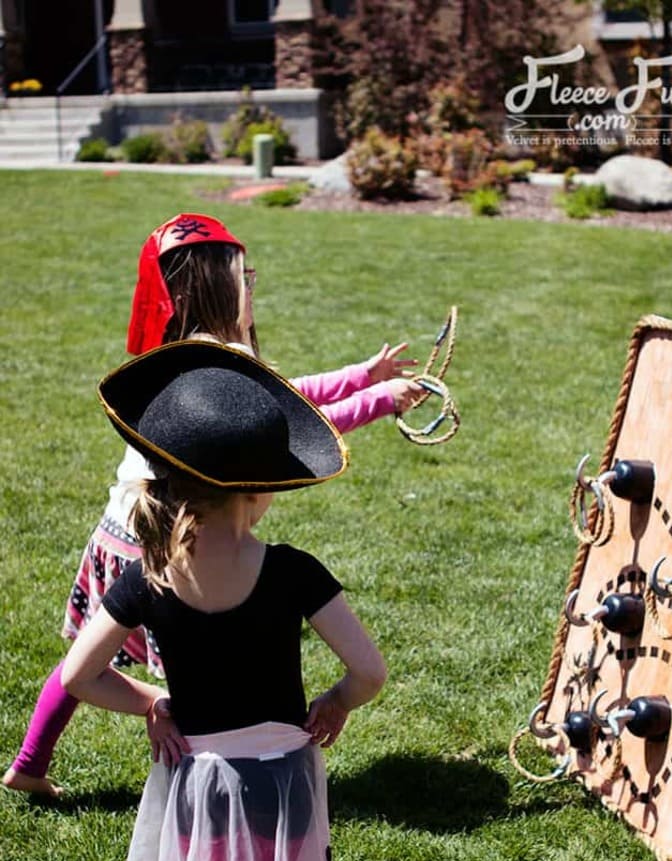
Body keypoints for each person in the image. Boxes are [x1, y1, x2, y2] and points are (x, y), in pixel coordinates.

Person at [3, 212, 419, 798]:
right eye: (244, 278)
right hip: (164, 533)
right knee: (190, 663)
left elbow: (286, 398)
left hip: (131, 522)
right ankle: (216, 769)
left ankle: (30, 761)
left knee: (86, 656)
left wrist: (362, 377)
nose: (253, 288)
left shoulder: (200, 350)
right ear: (213, 286)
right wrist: (379, 399)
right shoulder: (215, 359)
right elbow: (291, 424)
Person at [61, 339, 388, 861]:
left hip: (204, 790)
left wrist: (152, 701)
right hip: (286, 783)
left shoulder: (147, 579)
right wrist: (336, 701)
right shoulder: (294, 570)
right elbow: (369, 670)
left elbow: (79, 674)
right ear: (256, 492)